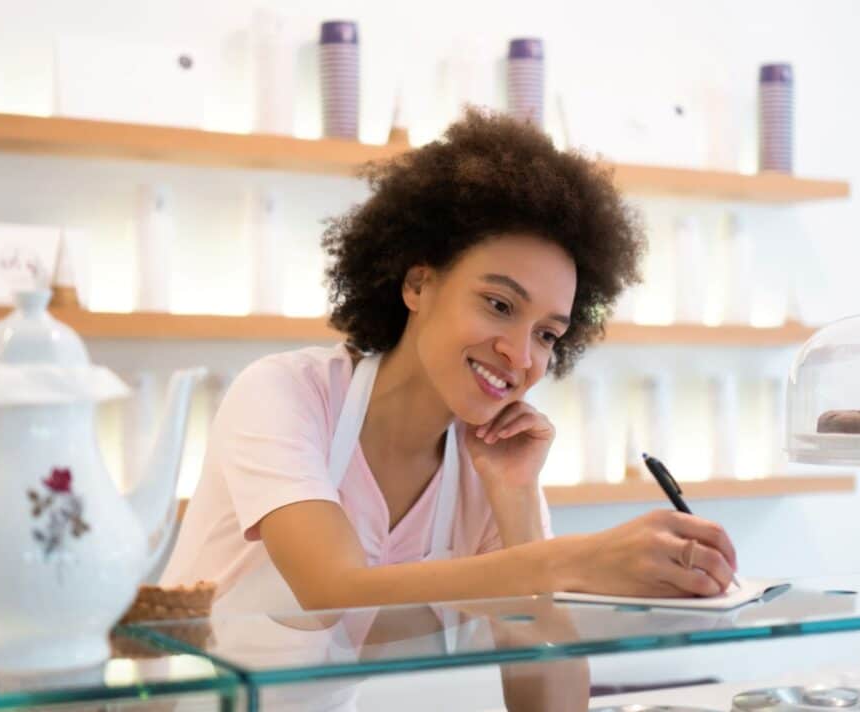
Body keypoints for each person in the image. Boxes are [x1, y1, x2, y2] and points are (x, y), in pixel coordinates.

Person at [161, 109, 738, 617]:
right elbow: (330, 589)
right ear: (418, 284)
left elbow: (548, 701)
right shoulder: (285, 394)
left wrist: (515, 502)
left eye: (546, 334)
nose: (520, 353)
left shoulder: (493, 464)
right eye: (498, 304)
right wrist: (582, 559)